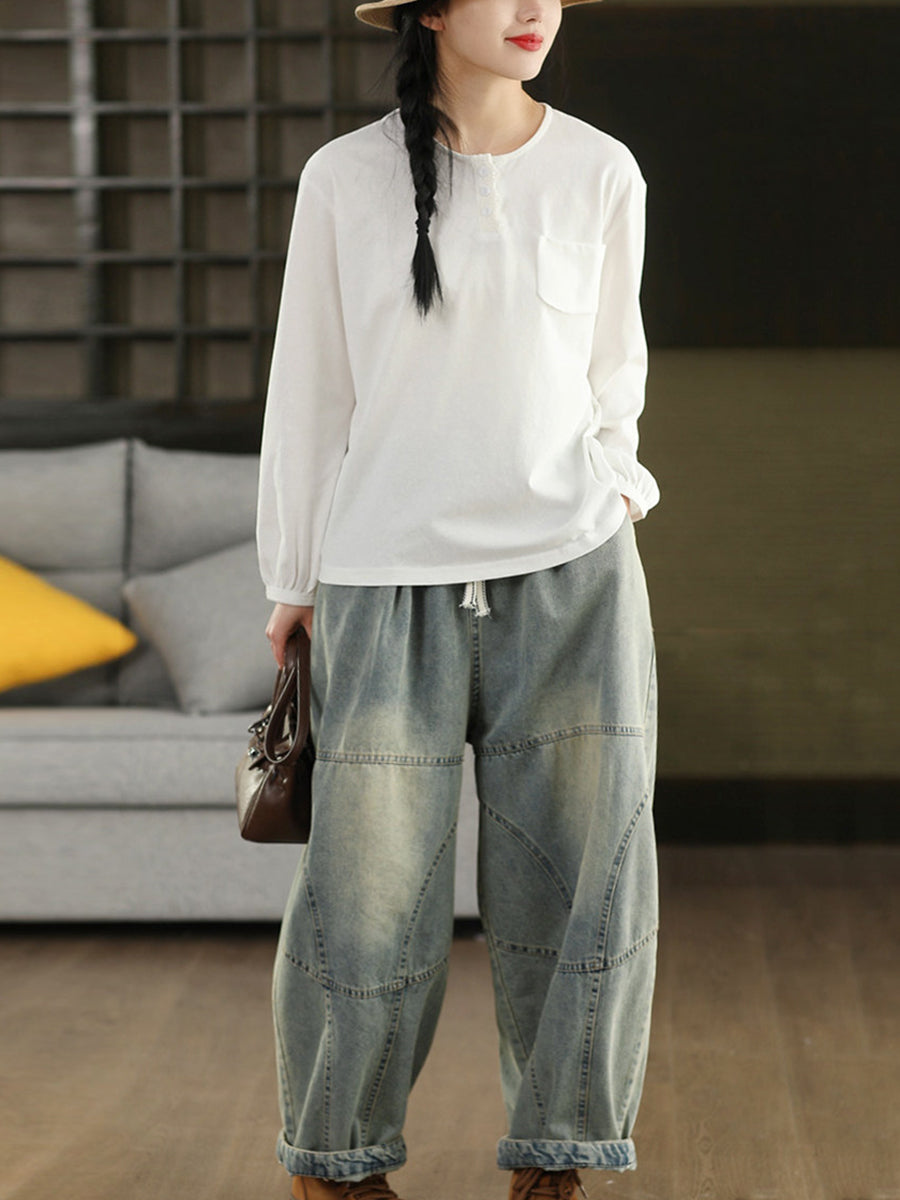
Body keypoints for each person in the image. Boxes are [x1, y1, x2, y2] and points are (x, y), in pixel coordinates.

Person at [256, 1, 660, 1198]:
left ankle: (559, 1157)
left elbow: (615, 373)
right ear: (431, 8)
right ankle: (336, 1165)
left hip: (574, 581)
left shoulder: (601, 168)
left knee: (588, 883)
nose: (536, 9)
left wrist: (616, 487)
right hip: (383, 580)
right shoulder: (344, 179)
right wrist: (293, 575)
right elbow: (308, 390)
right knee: (365, 891)